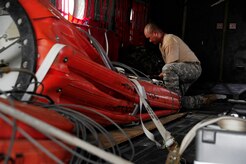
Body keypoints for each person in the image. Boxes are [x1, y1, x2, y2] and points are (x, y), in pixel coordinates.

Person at [144, 23, 226, 109]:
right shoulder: (161, 44)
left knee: (168, 74)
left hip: (193, 68)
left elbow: (170, 66)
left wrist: (158, 76)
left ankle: (172, 101)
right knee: (180, 100)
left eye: (149, 38)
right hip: (181, 71)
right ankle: (205, 99)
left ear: (155, 33)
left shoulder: (169, 39)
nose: (149, 41)